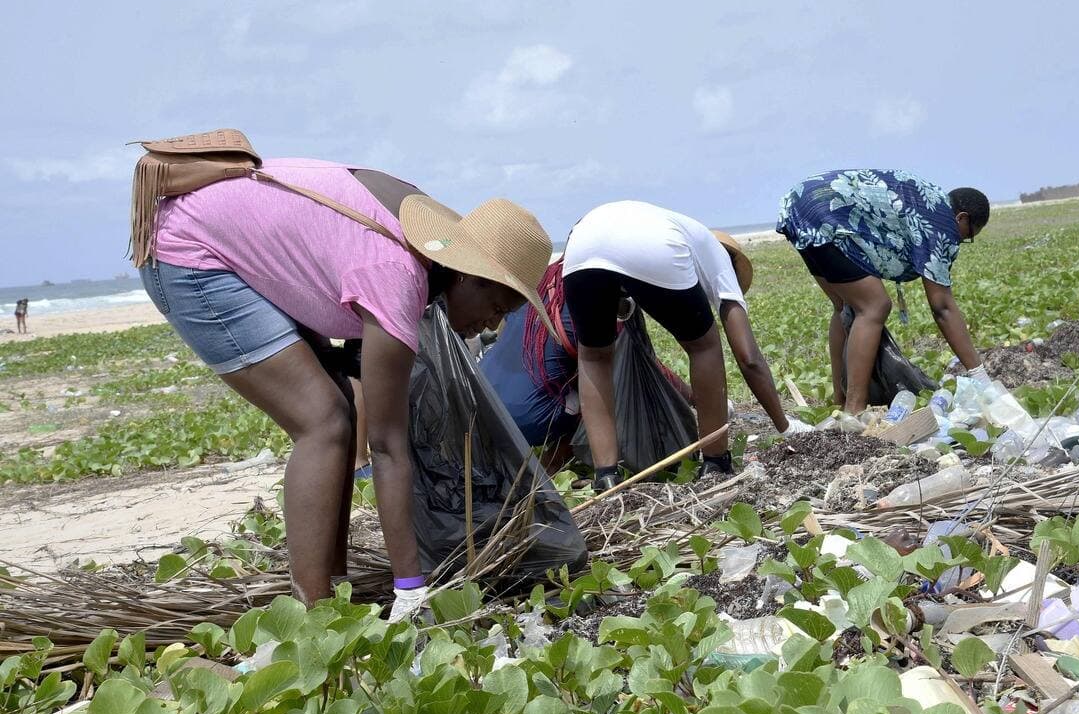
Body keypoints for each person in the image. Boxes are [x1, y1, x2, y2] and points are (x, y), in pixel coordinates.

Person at [136, 158, 554, 619]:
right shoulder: (397, 276)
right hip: (189, 252)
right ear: (466, 274)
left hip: (221, 238)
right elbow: (388, 447)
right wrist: (411, 589)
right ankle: (314, 614)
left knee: (340, 408)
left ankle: (332, 587)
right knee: (324, 422)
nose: (490, 325)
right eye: (495, 306)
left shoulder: (421, 244)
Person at [562, 201, 805, 489]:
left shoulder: (687, 235)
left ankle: (606, 475)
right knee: (704, 347)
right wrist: (786, 426)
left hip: (581, 243)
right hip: (652, 244)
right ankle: (716, 461)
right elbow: (748, 356)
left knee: (594, 357)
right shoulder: (721, 262)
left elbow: (617, 271)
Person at [776, 169, 991, 413]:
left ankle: (840, 399)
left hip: (800, 203)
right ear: (962, 218)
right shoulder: (942, 221)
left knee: (844, 307)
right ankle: (854, 409)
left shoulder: (927, 198)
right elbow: (942, 307)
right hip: (825, 213)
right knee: (874, 306)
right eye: (967, 236)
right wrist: (979, 375)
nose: (959, 242)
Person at [481, 259, 694, 474]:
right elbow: (643, 366)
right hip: (526, 419)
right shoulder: (596, 293)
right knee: (599, 387)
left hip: (481, 399)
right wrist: (693, 397)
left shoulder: (539, 281)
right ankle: (550, 464)